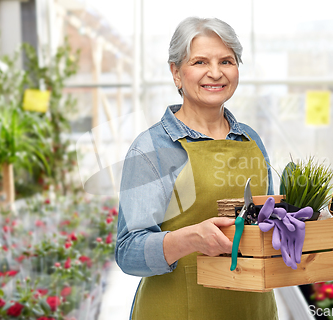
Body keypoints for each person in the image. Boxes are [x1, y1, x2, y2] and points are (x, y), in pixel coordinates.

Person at [116, 16, 277, 320]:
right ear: (176, 73)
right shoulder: (152, 147)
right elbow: (128, 252)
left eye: (226, 61)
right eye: (200, 62)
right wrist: (189, 239)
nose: (215, 73)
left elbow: (268, 222)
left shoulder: (251, 140)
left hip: (253, 309)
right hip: (176, 308)